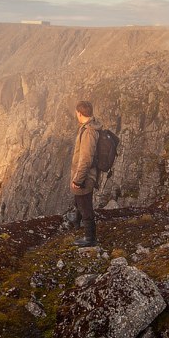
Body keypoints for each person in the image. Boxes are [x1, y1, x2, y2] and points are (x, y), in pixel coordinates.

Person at [70, 100, 100, 247]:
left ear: (80, 113)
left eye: (76, 113)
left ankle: (90, 238)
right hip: (84, 175)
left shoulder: (89, 132)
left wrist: (78, 179)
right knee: (79, 200)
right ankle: (76, 221)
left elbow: (86, 159)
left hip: (85, 176)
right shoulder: (88, 128)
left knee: (85, 205)